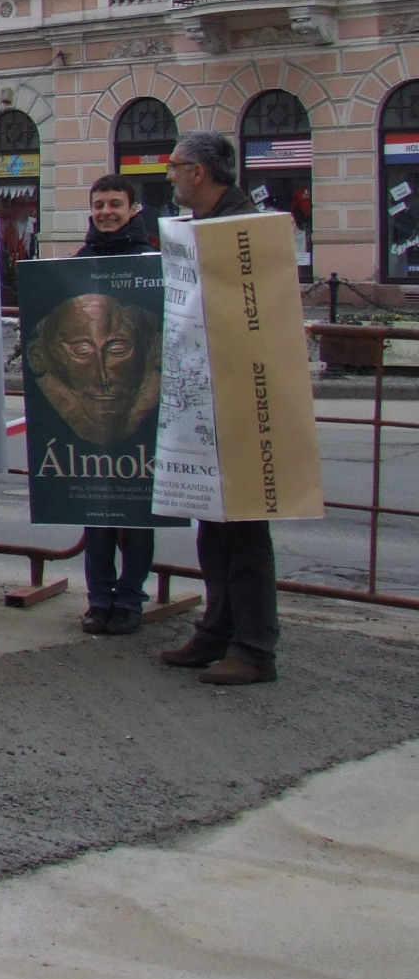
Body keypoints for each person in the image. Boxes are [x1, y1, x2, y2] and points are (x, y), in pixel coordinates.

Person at [156, 130, 281, 686]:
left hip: (240, 397)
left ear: (198, 172)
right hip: (207, 393)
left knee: (245, 529)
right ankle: (216, 631)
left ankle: (254, 649)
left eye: (175, 165)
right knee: (213, 525)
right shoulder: (204, 226)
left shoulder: (241, 229)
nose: (170, 175)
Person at [74, 174, 163, 636]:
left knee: (136, 510)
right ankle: (98, 599)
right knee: (96, 509)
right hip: (92, 402)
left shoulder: (151, 262)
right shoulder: (78, 263)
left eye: (114, 204)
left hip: (138, 402)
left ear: (132, 209)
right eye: (99, 205)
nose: (106, 212)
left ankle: (130, 599)